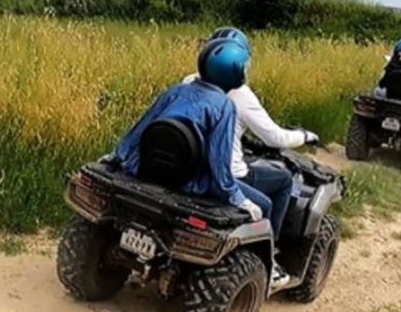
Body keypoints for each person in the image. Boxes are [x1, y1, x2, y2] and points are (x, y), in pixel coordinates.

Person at [112, 36, 291, 287]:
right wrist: (238, 198)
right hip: (192, 183)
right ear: (234, 71)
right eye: (244, 67)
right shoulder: (224, 106)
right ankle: (268, 269)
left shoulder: (176, 91)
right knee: (264, 204)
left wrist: (116, 157)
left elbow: (139, 130)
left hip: (149, 170)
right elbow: (219, 164)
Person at [184, 28, 318, 285]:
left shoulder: (189, 80)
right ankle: (269, 261)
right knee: (282, 181)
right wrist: (304, 135)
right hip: (226, 175)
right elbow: (275, 138)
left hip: (189, 164)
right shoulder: (239, 95)